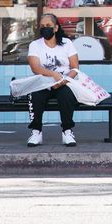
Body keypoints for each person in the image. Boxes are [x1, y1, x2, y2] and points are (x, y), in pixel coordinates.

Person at [26, 13, 80, 147]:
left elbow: (75, 67)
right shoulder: (35, 45)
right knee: (36, 95)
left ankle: (67, 131)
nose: (45, 28)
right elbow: (35, 68)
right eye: (42, 26)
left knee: (66, 95)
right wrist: (53, 75)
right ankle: (36, 132)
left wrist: (65, 80)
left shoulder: (67, 43)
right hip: (44, 82)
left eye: (48, 26)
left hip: (64, 82)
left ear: (56, 28)